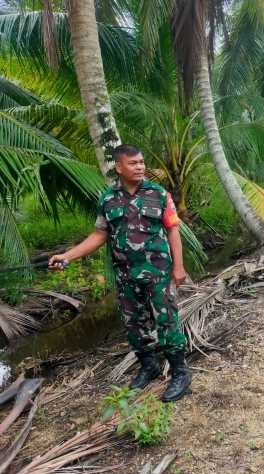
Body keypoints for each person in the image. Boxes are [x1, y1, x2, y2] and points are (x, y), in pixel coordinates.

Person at [49, 144, 191, 402]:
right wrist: (66, 256)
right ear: (119, 166)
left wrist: (179, 267)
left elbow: (173, 230)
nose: (140, 167)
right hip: (126, 276)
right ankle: (149, 367)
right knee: (135, 324)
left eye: (142, 162)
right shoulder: (108, 198)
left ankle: (180, 373)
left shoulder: (159, 194)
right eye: (134, 163)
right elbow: (99, 234)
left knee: (167, 320)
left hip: (158, 273)